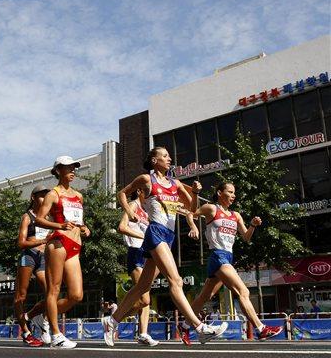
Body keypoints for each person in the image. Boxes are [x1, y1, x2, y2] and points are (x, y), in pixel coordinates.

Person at [102, 147, 228, 347]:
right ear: (154, 160)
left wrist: (194, 192)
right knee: (176, 280)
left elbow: (191, 209)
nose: (169, 159)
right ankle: (198, 327)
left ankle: (112, 321)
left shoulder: (175, 183)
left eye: (169, 156)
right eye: (165, 156)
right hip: (156, 232)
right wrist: (129, 211)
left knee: (142, 286)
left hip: (169, 236)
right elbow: (122, 193)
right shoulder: (146, 180)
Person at [179, 182, 283, 343]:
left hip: (228, 256)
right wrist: (194, 227)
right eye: (230, 192)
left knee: (205, 296)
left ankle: (184, 326)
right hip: (217, 256)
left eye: (234, 192)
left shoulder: (236, 215)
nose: (233, 195)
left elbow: (246, 238)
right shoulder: (211, 208)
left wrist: (253, 226)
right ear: (220, 193)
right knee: (243, 291)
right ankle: (260, 329)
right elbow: (191, 213)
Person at [35, 156, 90, 349]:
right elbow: (39, 220)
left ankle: (44, 318)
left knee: (77, 295)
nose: (72, 171)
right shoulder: (53, 194)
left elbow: (78, 220)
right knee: (54, 290)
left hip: (74, 244)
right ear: (58, 170)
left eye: (74, 168)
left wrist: (84, 227)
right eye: (68, 168)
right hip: (58, 242)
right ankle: (57, 335)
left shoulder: (79, 196)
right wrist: (60, 224)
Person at [116, 188, 158, 346]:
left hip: (147, 254)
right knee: (145, 298)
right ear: (139, 191)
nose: (151, 194)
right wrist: (144, 237)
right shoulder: (133, 205)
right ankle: (114, 319)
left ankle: (143, 333)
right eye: (148, 191)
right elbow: (122, 227)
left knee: (146, 297)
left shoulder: (146, 211)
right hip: (135, 253)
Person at [14, 185, 51, 347]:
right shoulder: (27, 217)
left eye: (46, 195)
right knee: (20, 296)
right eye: (41, 195)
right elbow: (21, 242)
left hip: (43, 258)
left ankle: (33, 316)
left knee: (51, 292)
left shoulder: (48, 217)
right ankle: (25, 332)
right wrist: (42, 241)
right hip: (28, 256)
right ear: (33, 198)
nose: (44, 198)